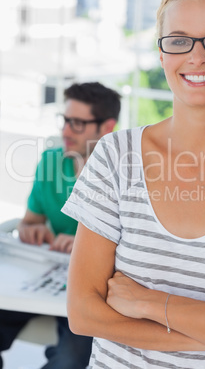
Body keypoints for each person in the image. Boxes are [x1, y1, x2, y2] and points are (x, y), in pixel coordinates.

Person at [62, 0, 205, 369]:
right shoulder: (115, 155)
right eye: (178, 40)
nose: (197, 56)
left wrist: (150, 303)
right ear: (161, 53)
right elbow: (84, 313)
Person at [0, 82, 121, 369]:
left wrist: (85, 246)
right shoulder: (51, 161)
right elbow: (31, 221)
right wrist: (32, 229)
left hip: (88, 295)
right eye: (65, 120)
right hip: (41, 283)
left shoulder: (123, 176)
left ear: (107, 126)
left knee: (71, 361)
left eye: (77, 124)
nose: (65, 132)